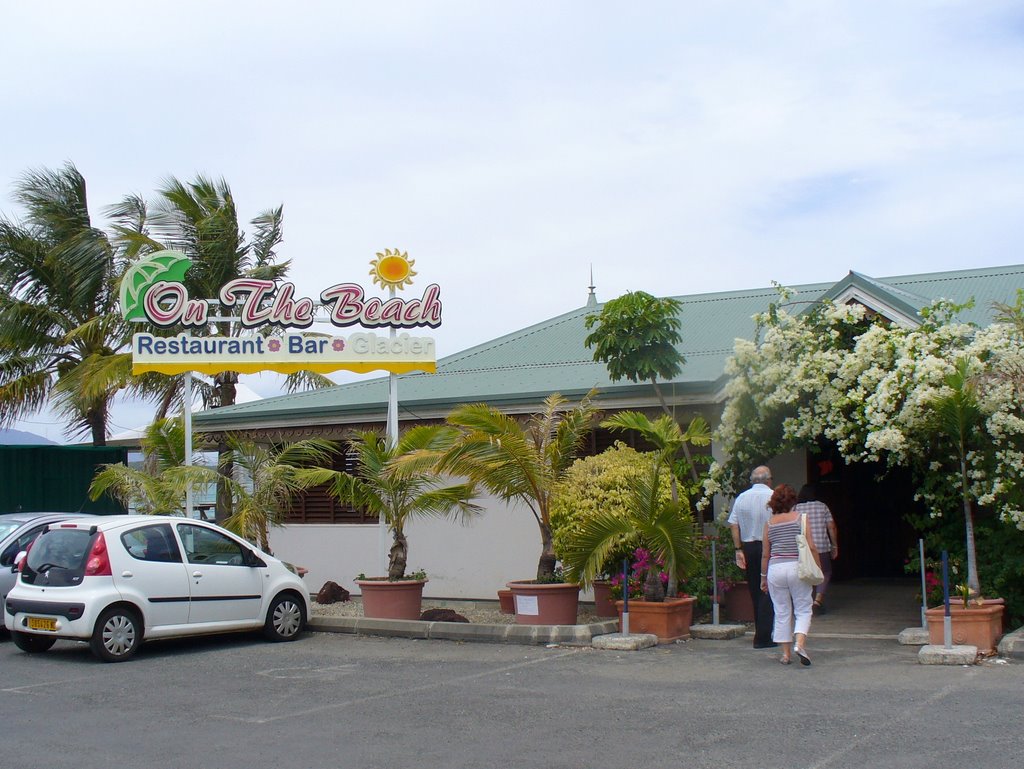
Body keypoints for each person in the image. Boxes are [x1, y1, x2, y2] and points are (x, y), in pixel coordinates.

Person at [760, 483, 821, 666]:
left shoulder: (769, 524)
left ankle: (786, 655)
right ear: (793, 500)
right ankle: (800, 644)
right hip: (797, 567)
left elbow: (765, 553)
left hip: (775, 569)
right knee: (803, 608)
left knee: (781, 611)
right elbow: (811, 546)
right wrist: (817, 567)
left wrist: (763, 577)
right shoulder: (800, 519)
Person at [728, 465, 776, 648]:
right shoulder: (773, 496)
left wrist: (738, 548)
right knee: (769, 589)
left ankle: (760, 631)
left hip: (748, 546)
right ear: (768, 480)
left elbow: (733, 524)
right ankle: (764, 636)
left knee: (755, 590)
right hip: (768, 546)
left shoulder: (742, 498)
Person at [794, 484, 838, 613]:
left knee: (805, 574)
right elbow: (831, 526)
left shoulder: (796, 508)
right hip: (821, 546)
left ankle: (806, 601)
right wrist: (834, 545)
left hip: (802, 548)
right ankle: (817, 600)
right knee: (825, 572)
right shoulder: (822, 506)